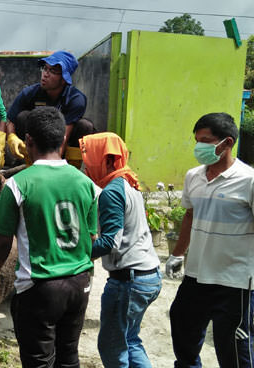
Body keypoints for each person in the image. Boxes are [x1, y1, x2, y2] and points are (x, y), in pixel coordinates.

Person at [0, 107, 98, 368]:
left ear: (28, 141)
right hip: (80, 284)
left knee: (38, 362)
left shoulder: (18, 184)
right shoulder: (85, 182)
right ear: (64, 140)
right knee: (68, 359)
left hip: (41, 287)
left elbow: (0, 242)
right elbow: (91, 236)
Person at [166, 112, 254, 367]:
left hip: (234, 282)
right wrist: (177, 254)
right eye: (197, 140)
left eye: (206, 141)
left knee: (232, 350)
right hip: (197, 275)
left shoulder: (251, 181)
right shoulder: (193, 176)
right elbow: (189, 215)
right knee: (182, 330)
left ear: (227, 143)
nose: (199, 147)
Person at [80, 132, 162, 367]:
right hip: (148, 275)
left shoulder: (112, 192)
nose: (86, 165)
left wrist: (75, 254)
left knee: (112, 347)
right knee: (130, 340)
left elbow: (109, 242)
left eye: (89, 158)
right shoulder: (127, 184)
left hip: (129, 281)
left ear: (106, 159)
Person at [6, 50, 95, 167]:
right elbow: (10, 120)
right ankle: (30, 164)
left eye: (52, 71)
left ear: (64, 78)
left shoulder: (76, 99)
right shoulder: (30, 93)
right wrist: (11, 137)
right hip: (38, 144)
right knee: (23, 117)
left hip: (62, 144)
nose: (45, 74)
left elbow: (65, 135)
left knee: (85, 126)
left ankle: (72, 168)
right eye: (45, 68)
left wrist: (54, 166)